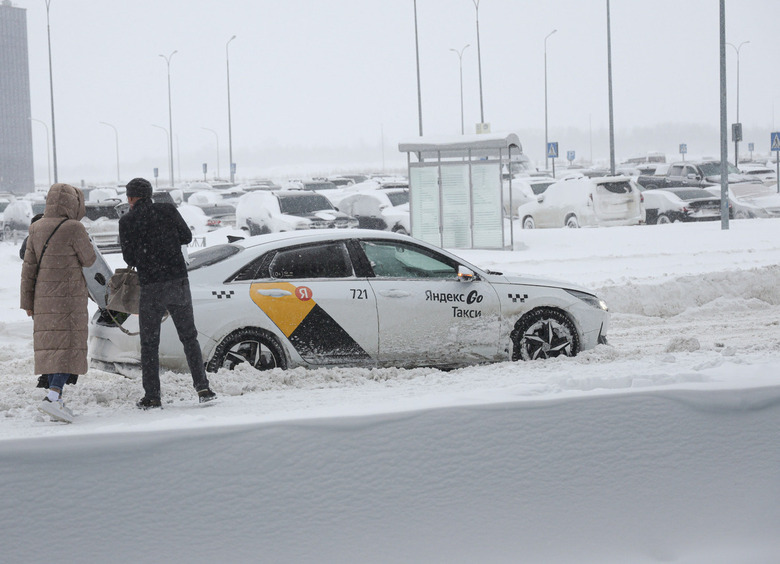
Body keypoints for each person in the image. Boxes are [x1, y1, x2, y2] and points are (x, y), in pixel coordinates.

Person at [118, 177, 216, 408]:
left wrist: (146, 252)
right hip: (177, 281)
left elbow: (129, 258)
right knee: (189, 337)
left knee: (149, 343)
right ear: (150, 194)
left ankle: (152, 396)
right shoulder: (168, 210)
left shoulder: (128, 221)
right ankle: (203, 387)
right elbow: (187, 237)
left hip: (151, 286)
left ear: (131, 198)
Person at [20, 183, 97, 423]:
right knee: (68, 347)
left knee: (53, 348)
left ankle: (57, 399)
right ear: (72, 203)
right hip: (68, 300)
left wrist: (27, 301)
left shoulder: (36, 227)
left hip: (43, 300)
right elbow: (89, 259)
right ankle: (53, 397)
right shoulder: (74, 228)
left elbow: (28, 268)